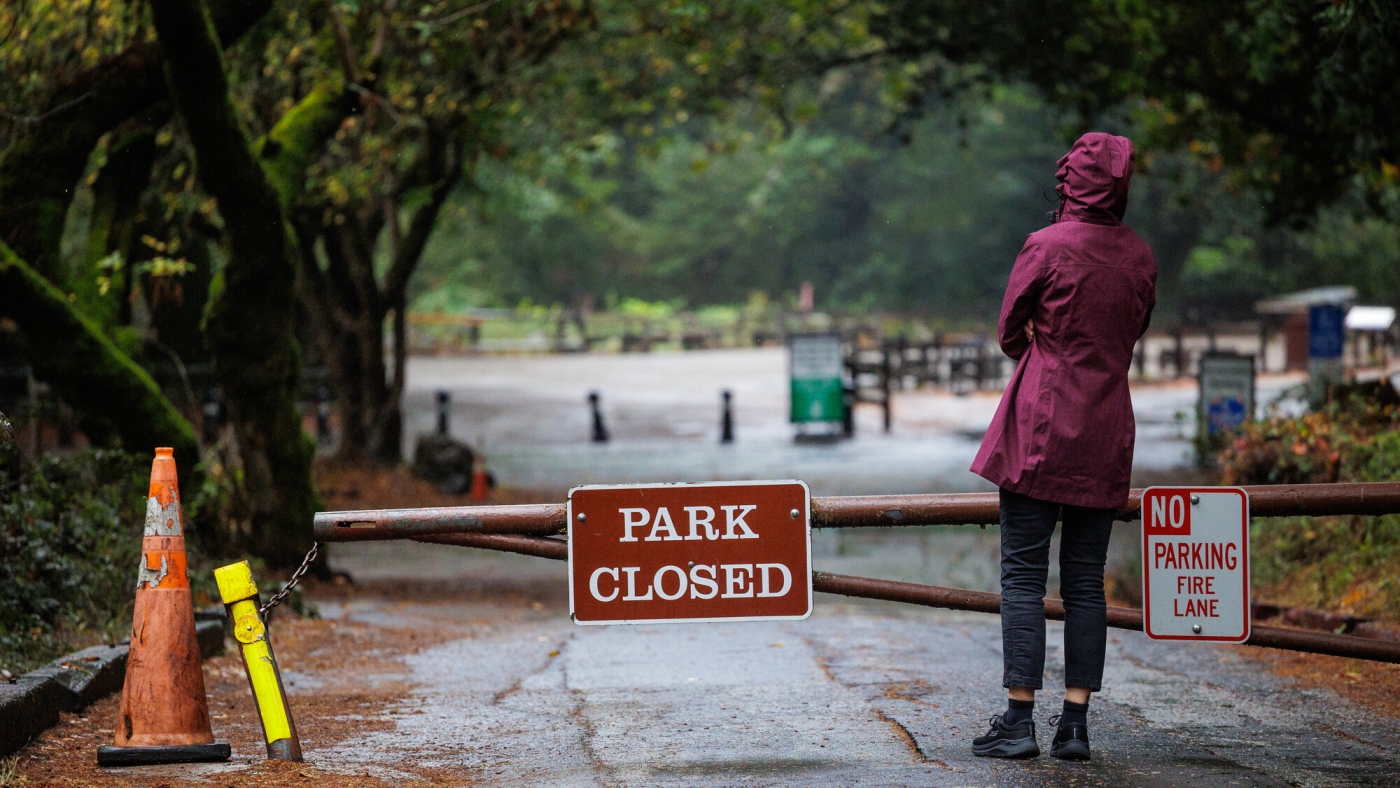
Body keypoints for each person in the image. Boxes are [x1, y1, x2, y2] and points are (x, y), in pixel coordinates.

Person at [968, 132, 1156, 761]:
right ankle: (1074, 725)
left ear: (1069, 181)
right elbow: (1127, 336)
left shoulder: (1045, 247)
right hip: (1107, 429)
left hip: (1040, 429)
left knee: (1022, 575)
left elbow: (1007, 331)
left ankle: (1018, 721)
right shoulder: (1140, 258)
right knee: (1085, 582)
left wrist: (1041, 346)